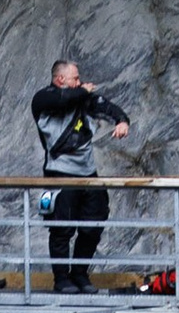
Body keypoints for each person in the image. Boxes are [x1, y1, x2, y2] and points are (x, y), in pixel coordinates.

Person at [31, 55, 131, 290]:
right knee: (61, 229)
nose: (80, 82)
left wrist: (122, 121)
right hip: (59, 174)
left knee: (94, 223)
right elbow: (64, 98)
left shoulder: (82, 97)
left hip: (88, 174)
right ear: (60, 79)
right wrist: (83, 91)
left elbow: (108, 107)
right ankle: (61, 279)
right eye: (75, 79)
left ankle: (80, 274)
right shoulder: (43, 99)